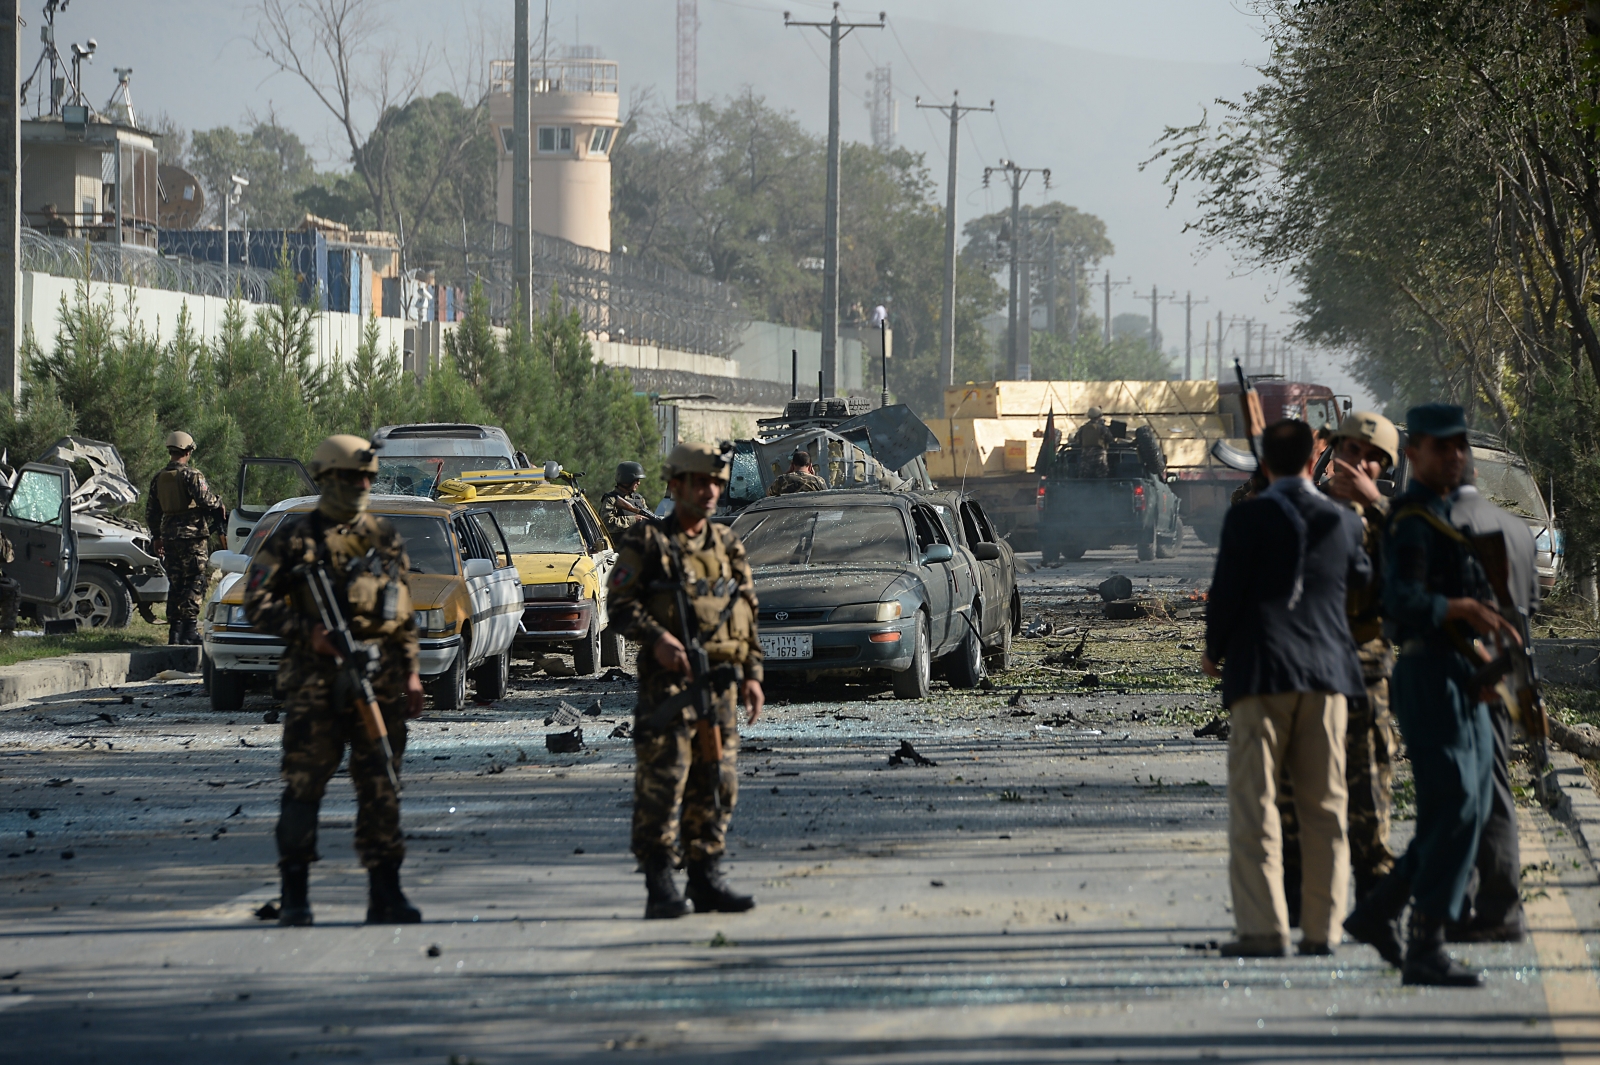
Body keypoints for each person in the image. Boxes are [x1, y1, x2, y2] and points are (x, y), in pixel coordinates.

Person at [1343, 403, 1518, 987]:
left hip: (1464, 675)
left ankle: (1379, 913)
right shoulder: (1415, 520)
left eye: (1460, 446)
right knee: (1453, 809)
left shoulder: (1444, 516)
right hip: (1427, 675)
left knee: (1465, 809)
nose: (1455, 456)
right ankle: (1424, 940)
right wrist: (1459, 608)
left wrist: (1487, 645)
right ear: (1414, 453)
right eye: (1442, 447)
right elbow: (1401, 602)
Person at [1203, 419, 1370, 957]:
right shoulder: (1344, 521)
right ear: (1312, 460)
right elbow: (1364, 583)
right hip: (1327, 679)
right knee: (1326, 807)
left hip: (1261, 675)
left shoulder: (1247, 518)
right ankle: (1324, 930)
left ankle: (1264, 930)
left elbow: (1226, 592)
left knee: (1258, 806)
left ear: (1264, 466)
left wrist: (1213, 650)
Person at [243, 435, 427, 928]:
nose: (363, 485)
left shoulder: (384, 536)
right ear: (327, 478)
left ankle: (385, 892)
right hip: (315, 686)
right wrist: (311, 635)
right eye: (352, 477)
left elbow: (403, 613)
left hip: (380, 683)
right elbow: (255, 603)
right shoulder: (293, 538)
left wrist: (410, 672)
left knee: (382, 787)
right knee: (304, 787)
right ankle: (296, 894)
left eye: (368, 477)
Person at [608, 441, 765, 919]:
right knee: (665, 781)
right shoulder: (646, 542)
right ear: (675, 485)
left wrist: (752, 676)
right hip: (669, 689)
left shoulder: (728, 546)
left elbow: (748, 616)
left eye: (716, 483)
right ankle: (660, 882)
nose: (711, 492)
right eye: (700, 483)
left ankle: (706, 875)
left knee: (717, 781)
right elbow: (619, 606)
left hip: (718, 687)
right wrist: (655, 638)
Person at [1278, 412, 1402, 921]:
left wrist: (1374, 506)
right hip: (1306, 673)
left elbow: (1425, 571)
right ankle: (1295, 911)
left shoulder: (1395, 521)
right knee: (1295, 800)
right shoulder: (1304, 508)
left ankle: (1376, 910)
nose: (1360, 462)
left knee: (1368, 797)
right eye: (1352, 450)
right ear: (1334, 453)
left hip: (1365, 675)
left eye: (1374, 457)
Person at [1444, 455, 1539, 943]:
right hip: (1511, 672)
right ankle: (1495, 902)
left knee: (1459, 789)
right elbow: (1531, 608)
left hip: (1464, 672)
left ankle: (1472, 902)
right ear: (1476, 477)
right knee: (1494, 781)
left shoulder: (1445, 526)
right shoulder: (1519, 530)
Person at [146, 431, 225, 645]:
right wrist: (219, 503)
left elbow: (151, 511)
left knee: (176, 582)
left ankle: (176, 632)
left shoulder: (158, 478)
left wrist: (157, 536)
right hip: (192, 537)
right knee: (195, 580)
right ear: (188, 451)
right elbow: (206, 501)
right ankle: (189, 629)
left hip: (169, 536)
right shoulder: (192, 475)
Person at [601, 461, 652, 543]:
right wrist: (634, 519)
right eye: (636, 480)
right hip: (620, 549)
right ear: (627, 479)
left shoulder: (639, 499)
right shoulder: (611, 499)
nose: (639, 483)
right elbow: (607, 524)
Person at [1073, 407, 1112, 478]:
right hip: (1100, 458)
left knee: (1085, 480)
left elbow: (1077, 440)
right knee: (1101, 480)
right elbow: (1110, 439)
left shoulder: (1083, 428)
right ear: (1099, 416)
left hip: (1086, 457)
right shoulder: (1103, 428)